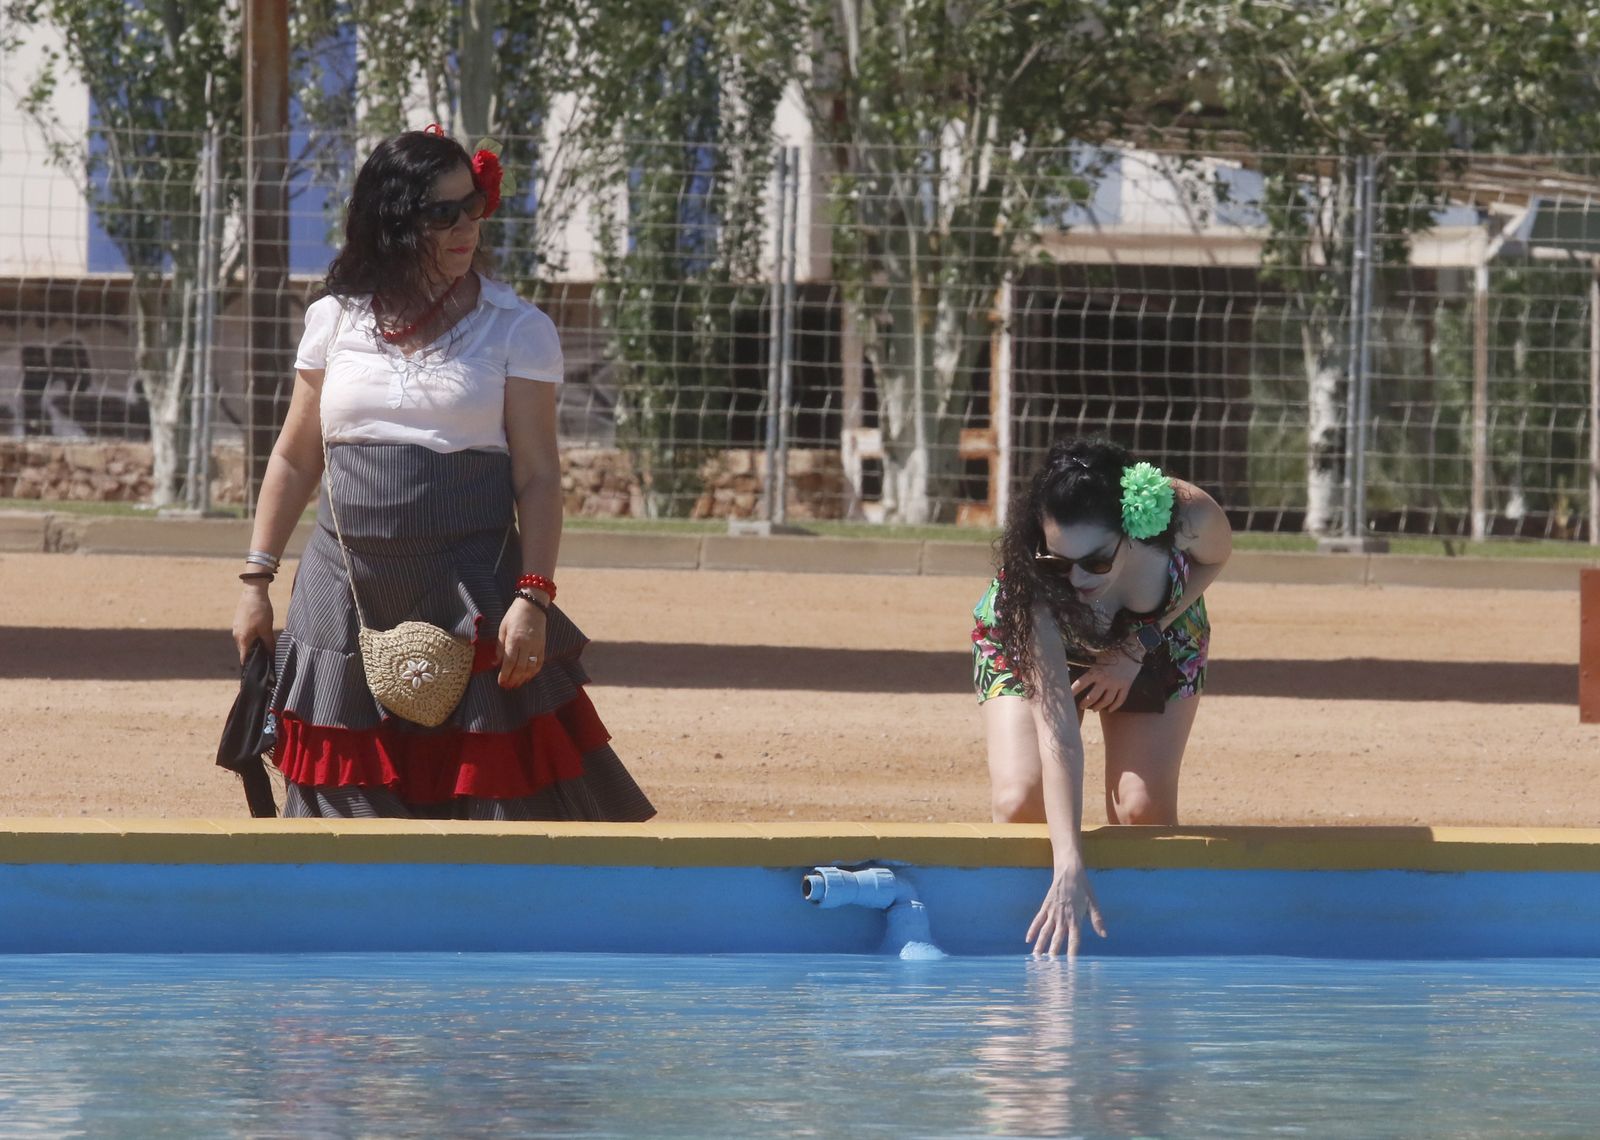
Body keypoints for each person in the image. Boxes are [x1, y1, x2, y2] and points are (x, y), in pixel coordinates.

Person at [230, 126, 654, 822]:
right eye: (444, 213)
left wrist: (534, 599)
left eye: (476, 205)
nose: (469, 227)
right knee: (342, 797)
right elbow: (295, 455)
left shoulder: (516, 327)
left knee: (501, 803)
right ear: (393, 221)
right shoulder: (335, 319)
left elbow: (540, 477)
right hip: (339, 590)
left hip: (472, 591)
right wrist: (255, 581)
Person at [971, 437, 1232, 956]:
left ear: (1131, 532)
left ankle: (1143, 943)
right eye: (1057, 561)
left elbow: (1214, 560)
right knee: (1021, 799)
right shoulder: (1035, 587)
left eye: (1095, 561)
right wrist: (1069, 860)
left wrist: (1139, 643)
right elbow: (1060, 734)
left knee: (1141, 811)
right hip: (1039, 641)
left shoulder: (1184, 514)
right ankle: (1031, 926)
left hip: (1157, 632)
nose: (1075, 578)